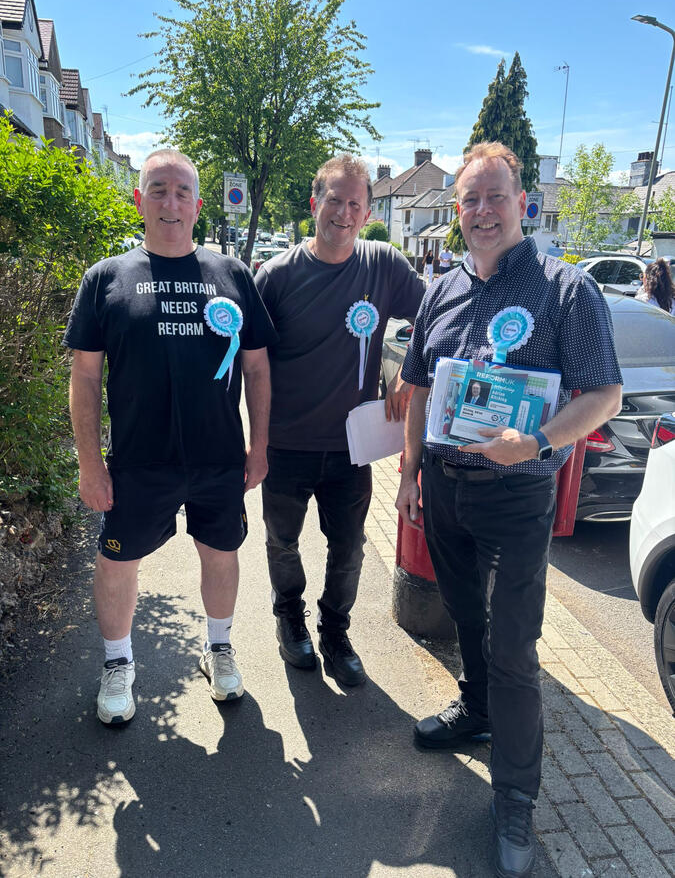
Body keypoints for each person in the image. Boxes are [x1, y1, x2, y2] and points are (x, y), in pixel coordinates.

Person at [395, 142, 622, 877]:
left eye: (495, 196)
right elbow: (419, 389)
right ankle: (476, 710)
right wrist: (409, 474)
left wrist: (538, 440)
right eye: (470, 200)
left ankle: (516, 798)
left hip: (517, 494)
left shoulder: (565, 290)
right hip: (445, 486)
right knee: (465, 615)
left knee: (515, 649)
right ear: (457, 212)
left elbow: (604, 394)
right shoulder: (441, 288)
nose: (482, 211)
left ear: (523, 203)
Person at [65, 149, 277, 725]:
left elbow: (257, 367)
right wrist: (90, 462)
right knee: (117, 562)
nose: (171, 202)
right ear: (139, 200)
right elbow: (85, 377)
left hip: (217, 457)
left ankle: (220, 648)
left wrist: (259, 446)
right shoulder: (106, 278)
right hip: (137, 461)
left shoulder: (231, 275)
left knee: (222, 553)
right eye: (158, 189)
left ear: (198, 205)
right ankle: (117, 663)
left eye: (183, 191)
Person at [255, 154, 425, 686]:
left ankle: (335, 631)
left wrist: (408, 370)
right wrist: (253, 444)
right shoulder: (277, 276)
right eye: (335, 200)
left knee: (349, 549)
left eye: (356, 204)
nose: (344, 213)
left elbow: (437, 317)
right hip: (286, 445)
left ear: (368, 213)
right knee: (282, 542)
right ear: (315, 203)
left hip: (352, 448)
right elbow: (252, 365)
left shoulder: (384, 264)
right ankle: (289, 618)